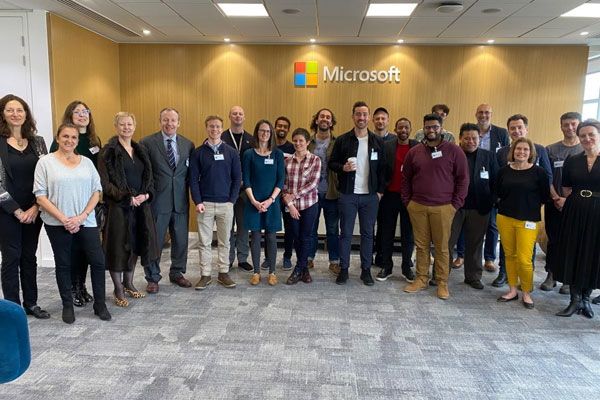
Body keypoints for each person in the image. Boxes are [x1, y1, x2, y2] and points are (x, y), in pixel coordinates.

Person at [34, 123, 110, 323]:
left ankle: (100, 304)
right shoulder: (45, 163)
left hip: (86, 220)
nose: (69, 141)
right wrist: (64, 219)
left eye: (73, 137)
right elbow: (40, 196)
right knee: (64, 264)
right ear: (57, 139)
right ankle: (67, 305)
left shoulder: (86, 162)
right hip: (57, 223)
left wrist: (82, 216)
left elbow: (97, 191)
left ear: (78, 140)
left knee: (98, 262)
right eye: (65, 136)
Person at [402, 113, 468, 299]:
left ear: (441, 129)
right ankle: (421, 279)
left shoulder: (454, 151)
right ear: (423, 129)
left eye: (435, 127)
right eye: (428, 127)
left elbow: (463, 179)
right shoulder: (415, 152)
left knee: (442, 247)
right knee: (421, 246)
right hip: (418, 206)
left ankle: (442, 283)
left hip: (443, 207)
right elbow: (406, 178)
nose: (431, 130)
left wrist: (455, 205)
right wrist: (408, 202)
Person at [99, 112, 160, 307]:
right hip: (119, 208)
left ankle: (129, 283)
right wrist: (126, 198)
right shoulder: (107, 151)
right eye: (122, 124)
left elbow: (149, 178)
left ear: (134, 126)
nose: (126, 128)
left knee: (134, 245)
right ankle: (118, 288)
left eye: (129, 124)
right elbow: (104, 183)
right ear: (116, 126)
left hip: (141, 208)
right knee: (118, 247)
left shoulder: (140, 149)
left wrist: (147, 195)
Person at [0, 94, 50, 319]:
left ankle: (31, 303)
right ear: (2, 114)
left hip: (34, 209)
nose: (15, 114)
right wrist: (17, 210)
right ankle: (13, 308)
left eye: (19, 110)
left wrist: (36, 208)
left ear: (26, 114)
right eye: (10, 110)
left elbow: (47, 176)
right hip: (6, 211)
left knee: (29, 256)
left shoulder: (38, 142)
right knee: (11, 257)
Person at [50, 100, 102, 307]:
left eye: (85, 111)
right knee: (71, 250)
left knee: (86, 252)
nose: (82, 115)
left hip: (89, 206)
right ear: (69, 116)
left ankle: (81, 286)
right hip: (68, 207)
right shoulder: (63, 141)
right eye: (77, 112)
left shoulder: (93, 140)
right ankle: (72, 288)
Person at [328, 101, 386, 286]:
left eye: (364, 114)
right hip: (348, 194)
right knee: (345, 233)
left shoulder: (377, 142)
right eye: (358, 114)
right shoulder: (343, 140)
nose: (361, 118)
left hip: (370, 196)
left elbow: (384, 169)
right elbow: (332, 163)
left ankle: (365, 270)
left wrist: (379, 192)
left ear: (369, 117)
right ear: (353, 116)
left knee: (368, 234)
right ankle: (344, 269)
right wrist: (342, 167)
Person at [493, 114, 552, 287]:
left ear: (526, 129)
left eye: (520, 127)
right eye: (513, 128)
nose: (516, 131)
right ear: (509, 131)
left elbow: (547, 177)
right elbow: (499, 181)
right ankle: (504, 273)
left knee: (526, 252)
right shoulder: (502, 152)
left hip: (529, 214)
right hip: (507, 211)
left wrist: (535, 204)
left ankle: (525, 282)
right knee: (508, 249)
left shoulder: (540, 149)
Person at [139, 108, 194, 293]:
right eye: (165, 120)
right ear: (160, 121)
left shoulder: (188, 144)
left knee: (180, 240)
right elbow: (144, 174)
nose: (169, 124)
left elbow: (189, 175)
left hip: (180, 202)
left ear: (179, 122)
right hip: (157, 202)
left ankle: (177, 272)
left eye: (173, 120)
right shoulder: (147, 143)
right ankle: (152, 277)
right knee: (154, 241)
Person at [554, 119, 600, 318]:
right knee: (573, 251)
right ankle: (574, 300)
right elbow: (565, 187)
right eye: (583, 136)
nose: (587, 138)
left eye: (591, 134)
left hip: (598, 212)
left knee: (593, 253)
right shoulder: (573, 160)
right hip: (575, 210)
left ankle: (585, 299)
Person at [190, 115, 241, 290]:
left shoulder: (231, 152)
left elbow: (237, 178)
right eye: (211, 126)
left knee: (225, 241)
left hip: (226, 204)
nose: (215, 130)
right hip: (205, 204)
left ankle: (223, 273)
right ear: (206, 128)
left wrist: (232, 201)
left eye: (218, 127)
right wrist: (197, 201)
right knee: (204, 242)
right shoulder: (198, 152)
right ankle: (205, 275)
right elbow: (193, 180)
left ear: (222, 128)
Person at [447, 123, 498, 290]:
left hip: (480, 207)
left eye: (474, 138)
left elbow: (496, 180)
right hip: (454, 208)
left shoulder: (489, 156)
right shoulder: (452, 154)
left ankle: (473, 277)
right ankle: (441, 275)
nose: (471, 141)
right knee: (447, 243)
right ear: (460, 138)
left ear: (480, 139)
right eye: (467, 138)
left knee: (475, 244)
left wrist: (491, 200)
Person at [541, 112, 582, 294]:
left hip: (577, 205)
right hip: (554, 202)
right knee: (554, 240)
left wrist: (569, 200)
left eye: (573, 124)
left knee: (573, 241)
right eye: (566, 124)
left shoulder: (585, 150)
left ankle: (568, 278)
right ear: (561, 126)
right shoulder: (551, 150)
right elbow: (547, 177)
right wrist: (557, 197)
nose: (570, 128)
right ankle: (551, 273)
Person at [243, 120, 284, 286]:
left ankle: (272, 272)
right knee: (255, 236)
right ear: (257, 132)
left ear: (271, 134)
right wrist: (254, 201)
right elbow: (246, 179)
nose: (265, 134)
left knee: (271, 236)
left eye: (268, 131)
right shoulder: (248, 154)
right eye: (262, 130)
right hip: (253, 201)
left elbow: (281, 180)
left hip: (271, 202)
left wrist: (270, 200)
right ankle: (256, 272)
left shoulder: (277, 154)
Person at [377, 117, 418, 282]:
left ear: (410, 129)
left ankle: (407, 268)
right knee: (386, 233)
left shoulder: (417, 147)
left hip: (410, 197)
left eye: (406, 127)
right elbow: (380, 170)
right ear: (395, 129)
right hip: (390, 195)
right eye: (400, 127)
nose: (403, 130)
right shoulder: (386, 146)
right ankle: (386, 267)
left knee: (408, 235)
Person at [283, 128, 321, 284]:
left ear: (307, 142)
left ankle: (298, 269)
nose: (298, 143)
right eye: (295, 140)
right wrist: (290, 203)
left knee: (306, 236)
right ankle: (303, 269)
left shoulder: (315, 160)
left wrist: (294, 195)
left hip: (309, 204)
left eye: (301, 140)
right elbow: (283, 184)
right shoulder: (286, 161)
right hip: (291, 206)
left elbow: (313, 183)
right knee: (296, 237)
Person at [307, 108, 340, 275]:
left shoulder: (337, 142)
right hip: (311, 194)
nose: (325, 119)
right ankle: (308, 258)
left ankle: (334, 261)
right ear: (317, 120)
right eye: (322, 116)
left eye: (328, 117)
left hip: (331, 193)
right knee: (311, 228)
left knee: (333, 229)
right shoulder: (308, 142)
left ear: (331, 122)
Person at [222, 106, 254, 272]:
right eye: (234, 113)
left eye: (240, 113)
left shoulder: (251, 138)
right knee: (226, 226)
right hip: (226, 190)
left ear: (244, 117)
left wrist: (244, 181)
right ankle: (227, 260)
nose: (237, 116)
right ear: (229, 116)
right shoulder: (221, 137)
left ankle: (242, 258)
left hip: (244, 190)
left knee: (243, 225)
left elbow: (254, 164)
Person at [261, 116, 295, 271]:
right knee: (270, 228)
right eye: (279, 126)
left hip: (287, 194)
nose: (282, 129)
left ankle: (287, 257)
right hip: (271, 195)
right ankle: (268, 257)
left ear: (288, 130)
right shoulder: (268, 147)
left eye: (285, 126)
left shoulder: (293, 147)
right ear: (274, 128)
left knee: (290, 228)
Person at [371, 107, 396, 266]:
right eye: (377, 118)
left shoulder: (394, 140)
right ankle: (369, 255)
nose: (380, 121)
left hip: (389, 191)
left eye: (383, 118)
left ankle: (381, 256)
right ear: (373, 121)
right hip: (370, 189)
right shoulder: (368, 138)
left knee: (384, 226)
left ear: (387, 121)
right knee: (369, 225)